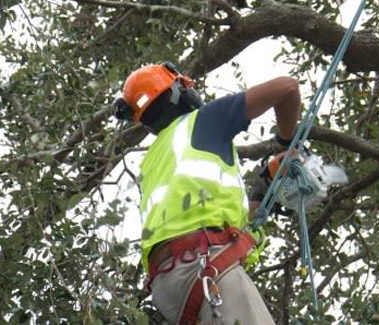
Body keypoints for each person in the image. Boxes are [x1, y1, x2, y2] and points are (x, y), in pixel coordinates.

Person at [113, 62, 300, 324]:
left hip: (170, 287)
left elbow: (205, 225)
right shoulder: (202, 121)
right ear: (177, 92)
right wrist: (285, 145)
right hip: (205, 264)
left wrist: (260, 193)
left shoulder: (153, 162)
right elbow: (287, 88)